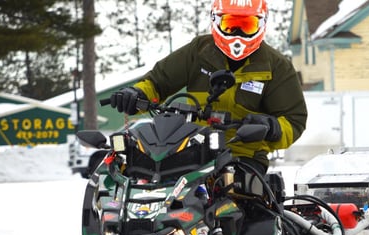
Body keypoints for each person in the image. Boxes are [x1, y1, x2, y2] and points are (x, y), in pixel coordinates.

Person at [109, 0, 307, 175]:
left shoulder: (276, 65)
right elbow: (158, 82)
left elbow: (294, 120)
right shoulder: (198, 51)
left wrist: (272, 127)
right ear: (216, 20)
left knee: (241, 202)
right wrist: (136, 94)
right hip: (190, 147)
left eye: (247, 25)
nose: (237, 33)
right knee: (146, 177)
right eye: (230, 25)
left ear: (261, 24)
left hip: (242, 155)